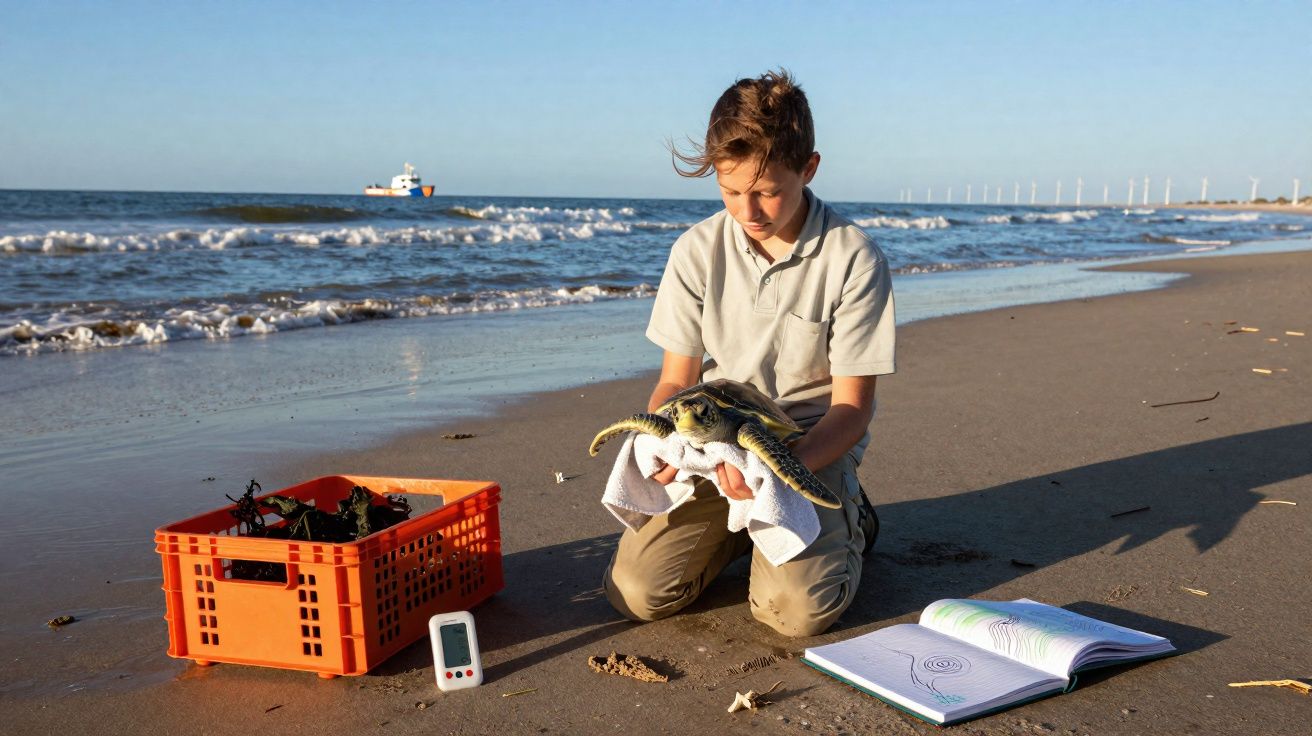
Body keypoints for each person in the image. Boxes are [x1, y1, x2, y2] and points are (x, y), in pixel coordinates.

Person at [602, 69, 896, 637]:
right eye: (730, 191)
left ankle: (853, 519)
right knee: (636, 594)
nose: (748, 211)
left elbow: (851, 409)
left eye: (766, 191)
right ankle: (734, 534)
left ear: (808, 168)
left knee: (793, 614)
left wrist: (779, 474)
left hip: (807, 445)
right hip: (715, 444)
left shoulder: (854, 258)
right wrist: (659, 443)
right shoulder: (694, 250)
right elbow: (675, 382)